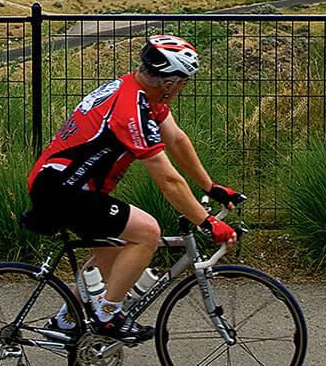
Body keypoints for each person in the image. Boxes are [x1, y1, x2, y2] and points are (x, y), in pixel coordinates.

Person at [25, 34, 241, 342]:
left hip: (65, 185)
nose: (182, 89)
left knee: (110, 252)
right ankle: (108, 315)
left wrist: (211, 186)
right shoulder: (131, 110)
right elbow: (168, 180)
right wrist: (207, 222)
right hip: (62, 191)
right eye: (183, 82)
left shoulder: (140, 94)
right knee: (147, 233)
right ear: (169, 83)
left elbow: (176, 140)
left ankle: (67, 321)